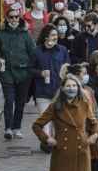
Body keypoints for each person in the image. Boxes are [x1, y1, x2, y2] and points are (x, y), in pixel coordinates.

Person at [31, 74, 98, 171]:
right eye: (68, 86)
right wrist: (48, 139)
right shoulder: (54, 106)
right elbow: (37, 125)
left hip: (81, 153)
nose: (71, 88)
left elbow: (95, 125)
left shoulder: (84, 105)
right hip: (63, 154)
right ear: (62, 88)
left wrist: (94, 135)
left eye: (74, 86)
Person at [0, 9, 35, 140]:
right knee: (9, 100)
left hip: (23, 72)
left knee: (20, 102)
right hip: (7, 72)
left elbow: (32, 51)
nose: (14, 19)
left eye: (16, 17)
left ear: (19, 18)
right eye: (11, 17)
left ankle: (17, 128)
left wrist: (31, 67)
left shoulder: (25, 33)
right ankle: (8, 128)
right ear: (7, 18)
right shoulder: (1, 34)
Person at [27, 24, 71, 152]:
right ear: (46, 37)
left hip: (59, 91)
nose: (55, 37)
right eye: (53, 35)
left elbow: (68, 68)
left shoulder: (62, 50)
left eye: (56, 35)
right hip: (43, 91)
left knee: (59, 117)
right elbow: (29, 68)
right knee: (45, 117)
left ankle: (57, 140)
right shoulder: (36, 52)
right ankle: (46, 142)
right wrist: (40, 73)